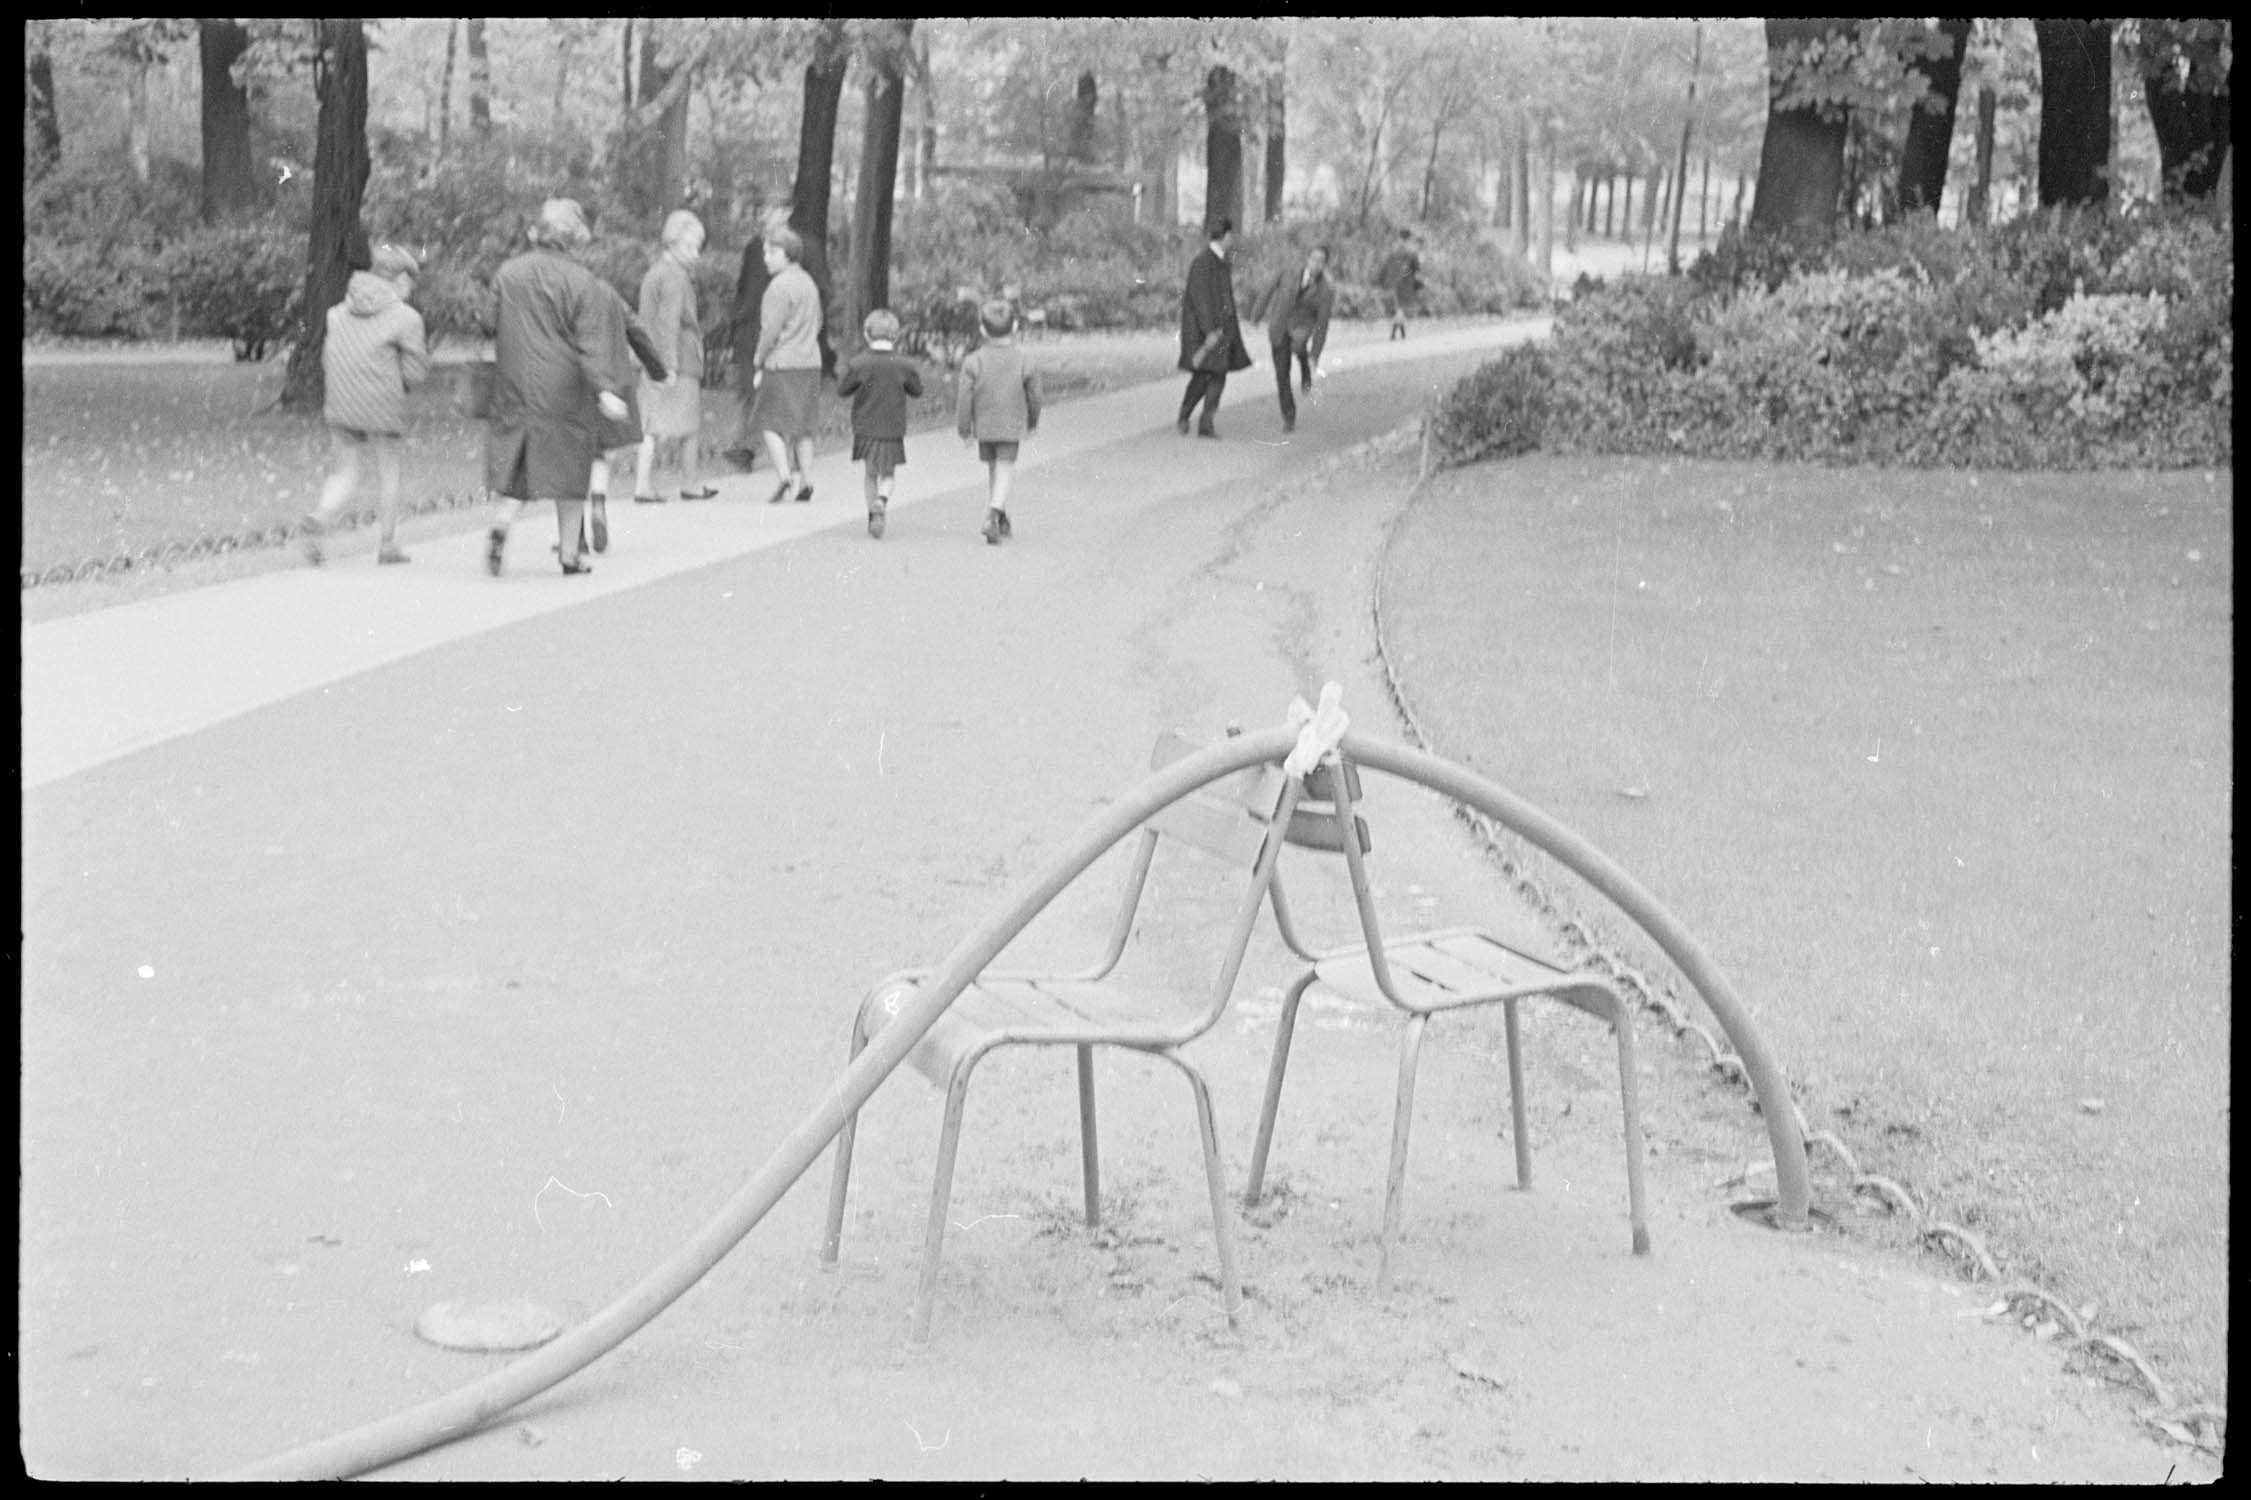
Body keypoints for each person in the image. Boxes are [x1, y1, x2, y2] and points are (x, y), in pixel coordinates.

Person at [482, 197, 633, 577]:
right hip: (564, 387)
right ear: (571, 240)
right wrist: (606, 391)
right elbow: (592, 344)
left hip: (515, 381)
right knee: (570, 472)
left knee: (517, 464)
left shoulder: (508, 272)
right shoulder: (582, 282)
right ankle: (569, 556)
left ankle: (502, 523)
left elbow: (487, 321)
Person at [303, 242, 428, 566]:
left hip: (340, 402)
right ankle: (387, 545)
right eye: (410, 284)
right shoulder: (406, 318)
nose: (410, 292)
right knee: (389, 471)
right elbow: (415, 374)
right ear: (400, 279)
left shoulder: (337, 312)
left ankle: (321, 516)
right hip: (382, 404)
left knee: (346, 470)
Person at [635, 209, 716, 504]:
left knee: (650, 425)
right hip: (678, 360)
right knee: (689, 426)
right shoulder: (675, 277)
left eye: (697, 247)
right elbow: (669, 322)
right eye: (689, 247)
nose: (695, 254)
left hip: (651, 357)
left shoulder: (654, 272)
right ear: (671, 243)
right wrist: (668, 365)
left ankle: (642, 485)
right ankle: (690, 483)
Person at [581, 284, 668, 554]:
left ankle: (575, 534)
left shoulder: (565, 293)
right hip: (614, 380)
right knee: (601, 453)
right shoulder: (608, 293)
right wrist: (657, 369)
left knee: (574, 456)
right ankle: (598, 502)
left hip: (577, 381)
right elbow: (636, 331)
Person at [746, 225, 824, 505]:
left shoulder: (777, 288)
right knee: (803, 426)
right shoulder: (808, 283)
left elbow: (770, 331)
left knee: (769, 422)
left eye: (772, 252)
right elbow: (819, 323)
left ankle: (783, 476)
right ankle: (807, 480)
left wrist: (758, 359)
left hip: (782, 363)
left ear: (788, 254)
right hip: (810, 361)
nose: (766, 257)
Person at [956, 298, 1041, 545]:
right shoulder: (1025, 360)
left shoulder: (974, 361)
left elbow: (964, 398)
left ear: (982, 330)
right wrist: (1032, 422)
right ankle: (993, 514)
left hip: (984, 426)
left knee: (995, 467)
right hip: (1011, 424)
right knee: (1004, 468)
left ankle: (1000, 514)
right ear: (1015, 327)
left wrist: (965, 430)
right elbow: (1035, 396)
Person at [835, 308, 924, 540]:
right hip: (892, 428)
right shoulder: (903, 365)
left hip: (865, 427)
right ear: (895, 335)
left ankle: (872, 515)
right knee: (888, 473)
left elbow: (843, 390)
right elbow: (917, 391)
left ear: (867, 334)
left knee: (869, 473)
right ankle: (882, 501)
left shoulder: (858, 364)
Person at [1176, 217, 1251, 439]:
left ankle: (1206, 423)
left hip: (1222, 331)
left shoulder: (1221, 261)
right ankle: (1185, 413)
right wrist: (1209, 331)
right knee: (1202, 376)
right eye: (1231, 235)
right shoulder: (1202, 262)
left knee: (1219, 374)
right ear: (1226, 235)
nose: (1233, 239)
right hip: (1203, 332)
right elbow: (1200, 301)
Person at [1249, 243, 1336, 435]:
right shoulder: (1287, 272)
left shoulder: (1326, 289)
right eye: (1314, 260)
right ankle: (1289, 416)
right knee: (1282, 374)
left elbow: (1322, 324)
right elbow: (1267, 290)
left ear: (1325, 265)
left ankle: (1305, 363)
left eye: (1321, 262)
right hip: (1280, 326)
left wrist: (1315, 355)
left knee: (1299, 348)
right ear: (1307, 259)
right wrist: (1256, 315)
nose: (1316, 265)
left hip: (1302, 327)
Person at [1377, 227, 1422, 341]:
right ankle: (1394, 332)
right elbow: (1416, 268)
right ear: (1409, 238)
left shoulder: (1394, 250)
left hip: (1394, 282)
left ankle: (1402, 333)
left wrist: (1381, 279)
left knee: (1399, 307)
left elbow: (1386, 265)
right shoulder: (1412, 252)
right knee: (1401, 308)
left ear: (1400, 237)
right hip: (1406, 282)